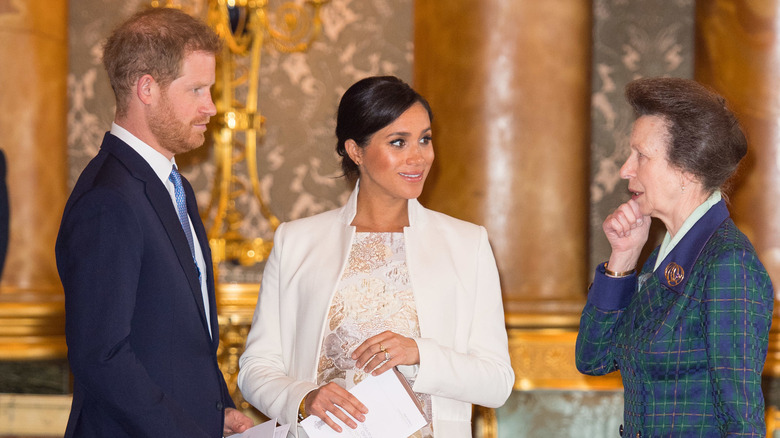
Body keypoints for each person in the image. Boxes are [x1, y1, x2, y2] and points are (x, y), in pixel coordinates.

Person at [237, 76, 514, 437]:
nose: (419, 157)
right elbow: (256, 368)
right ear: (356, 151)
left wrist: (419, 353)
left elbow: (497, 381)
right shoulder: (297, 240)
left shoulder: (466, 244)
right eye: (398, 142)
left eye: (425, 139)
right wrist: (305, 398)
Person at [55, 7, 253, 437]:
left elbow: (181, 337)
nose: (212, 107)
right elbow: (101, 356)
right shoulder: (108, 200)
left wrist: (217, 407)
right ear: (147, 88)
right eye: (197, 89)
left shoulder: (173, 185)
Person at [576, 77, 774, 437]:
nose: (625, 169)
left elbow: (742, 423)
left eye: (641, 156)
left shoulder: (728, 265)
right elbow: (594, 359)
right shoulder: (663, 258)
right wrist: (622, 260)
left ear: (686, 170)